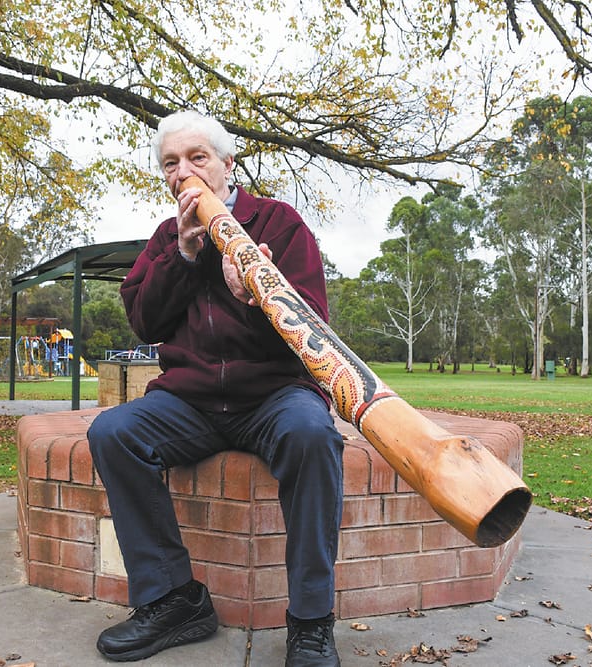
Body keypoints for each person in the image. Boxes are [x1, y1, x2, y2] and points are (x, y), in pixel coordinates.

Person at [87, 110, 343, 667]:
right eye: (170, 164)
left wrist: (255, 296)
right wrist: (182, 256)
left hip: (274, 395)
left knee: (312, 435)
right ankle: (174, 601)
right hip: (191, 402)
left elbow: (313, 331)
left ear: (228, 164)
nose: (184, 172)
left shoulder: (278, 224)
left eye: (197, 157)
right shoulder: (164, 239)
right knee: (112, 431)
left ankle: (311, 621)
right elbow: (145, 323)